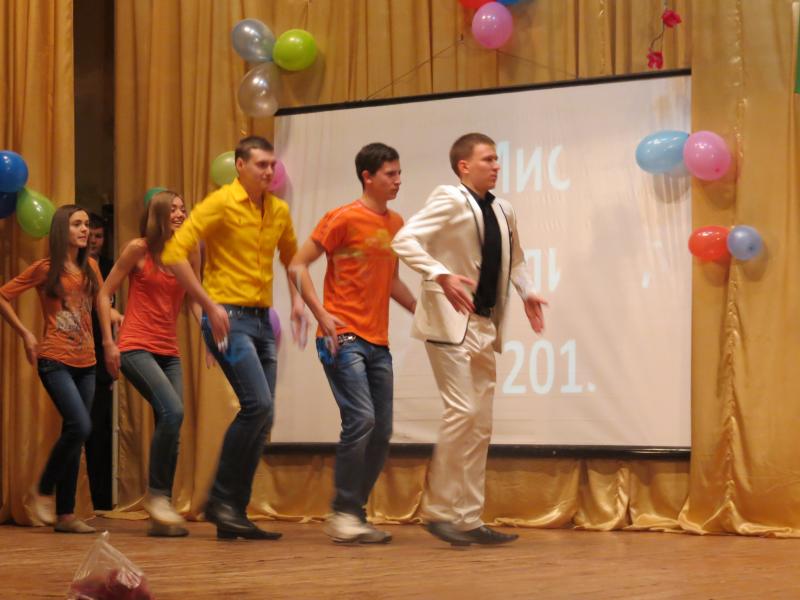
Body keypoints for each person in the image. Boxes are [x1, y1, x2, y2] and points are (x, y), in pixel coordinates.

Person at [391, 132, 547, 546]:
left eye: (497, 159)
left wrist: (528, 291)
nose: (497, 166)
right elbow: (403, 240)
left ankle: (468, 518)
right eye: (488, 159)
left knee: (480, 423)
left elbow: (516, 260)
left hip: (483, 324)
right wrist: (439, 273)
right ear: (464, 166)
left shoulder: (503, 208)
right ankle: (439, 511)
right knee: (462, 410)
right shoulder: (449, 198)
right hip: (449, 321)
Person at [161, 135, 306, 540]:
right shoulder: (220, 203)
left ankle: (233, 512)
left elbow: (292, 259)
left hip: (262, 322)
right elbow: (174, 254)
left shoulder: (277, 210)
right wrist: (208, 304)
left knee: (264, 416)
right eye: (260, 164)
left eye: (271, 165)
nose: (268, 171)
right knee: (257, 405)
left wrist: (297, 301)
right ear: (240, 166)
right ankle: (221, 500)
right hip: (228, 319)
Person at [289, 142, 416, 544]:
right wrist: (320, 314)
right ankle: (343, 511)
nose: (398, 180)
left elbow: (392, 281)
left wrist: (424, 311)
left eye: (399, 173)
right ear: (368, 176)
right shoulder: (342, 217)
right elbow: (297, 265)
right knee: (361, 419)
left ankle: (352, 513)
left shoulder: (396, 223)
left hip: (378, 342)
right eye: (390, 174)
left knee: (382, 430)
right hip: (342, 337)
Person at [97, 191, 200, 537]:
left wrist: (209, 332)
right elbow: (103, 294)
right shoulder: (138, 249)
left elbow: (194, 299)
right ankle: (157, 497)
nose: (180, 214)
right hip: (135, 346)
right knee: (173, 411)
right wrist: (108, 342)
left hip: (169, 350)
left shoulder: (190, 250)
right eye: (173, 209)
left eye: (183, 209)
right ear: (158, 215)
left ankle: (161, 514)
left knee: (172, 423)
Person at [0, 205, 105, 533]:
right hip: (54, 359)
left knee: (74, 434)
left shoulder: (91, 267)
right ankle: (43, 488)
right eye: (77, 224)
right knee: (80, 425)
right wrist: (26, 334)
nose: (85, 230)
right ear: (63, 229)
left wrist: (111, 331)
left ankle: (65, 515)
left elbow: (101, 303)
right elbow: (2, 296)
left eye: (86, 224)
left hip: (88, 363)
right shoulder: (45, 268)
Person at [85, 212, 116, 510]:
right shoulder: (75, 268)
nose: (93, 241)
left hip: (105, 361)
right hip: (81, 355)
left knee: (102, 431)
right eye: (90, 235)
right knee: (84, 427)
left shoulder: (110, 268)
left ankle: (103, 498)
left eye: (99, 236)